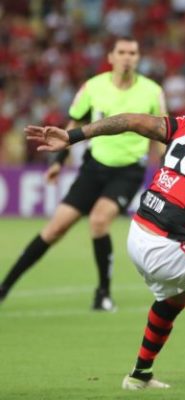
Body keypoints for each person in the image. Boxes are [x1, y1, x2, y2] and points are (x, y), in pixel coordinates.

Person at [27, 88, 185, 396]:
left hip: (138, 232)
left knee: (175, 297)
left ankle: (140, 374)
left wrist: (73, 136)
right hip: (168, 247)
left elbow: (130, 121)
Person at [0, 36, 166, 311]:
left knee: (99, 222)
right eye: (122, 52)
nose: (127, 57)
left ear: (138, 58)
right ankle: (5, 287)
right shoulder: (93, 87)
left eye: (133, 53)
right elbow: (75, 121)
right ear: (111, 57)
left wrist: (163, 165)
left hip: (128, 171)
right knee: (55, 229)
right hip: (94, 167)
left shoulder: (152, 91)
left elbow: (161, 132)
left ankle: (102, 293)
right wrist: (59, 160)